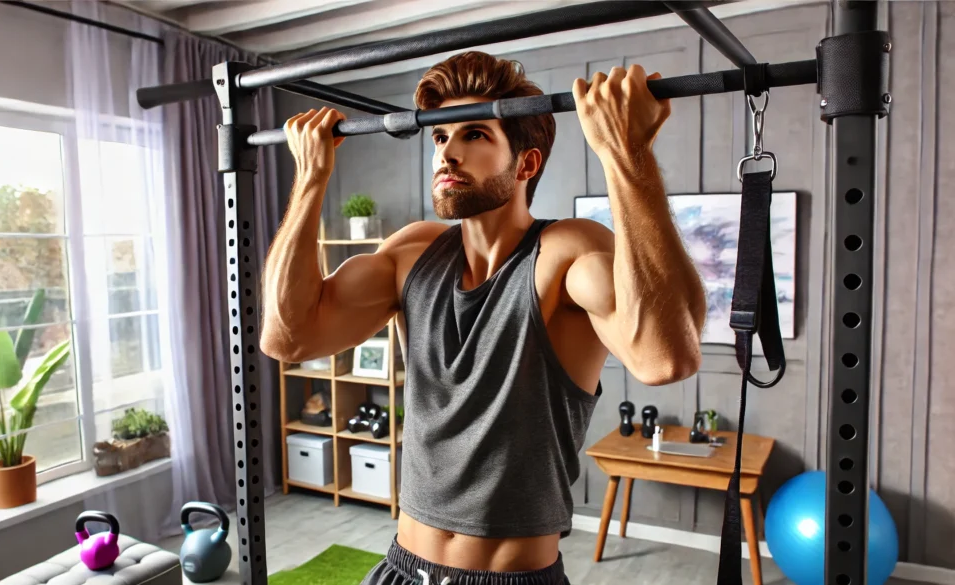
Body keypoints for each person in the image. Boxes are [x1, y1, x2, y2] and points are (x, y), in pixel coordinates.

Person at [260, 51, 706, 585]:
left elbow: (664, 357)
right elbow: (287, 336)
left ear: (526, 164)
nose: (447, 154)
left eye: (474, 135)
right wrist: (310, 180)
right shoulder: (412, 252)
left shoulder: (563, 253)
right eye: (440, 137)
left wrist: (626, 154)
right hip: (402, 568)